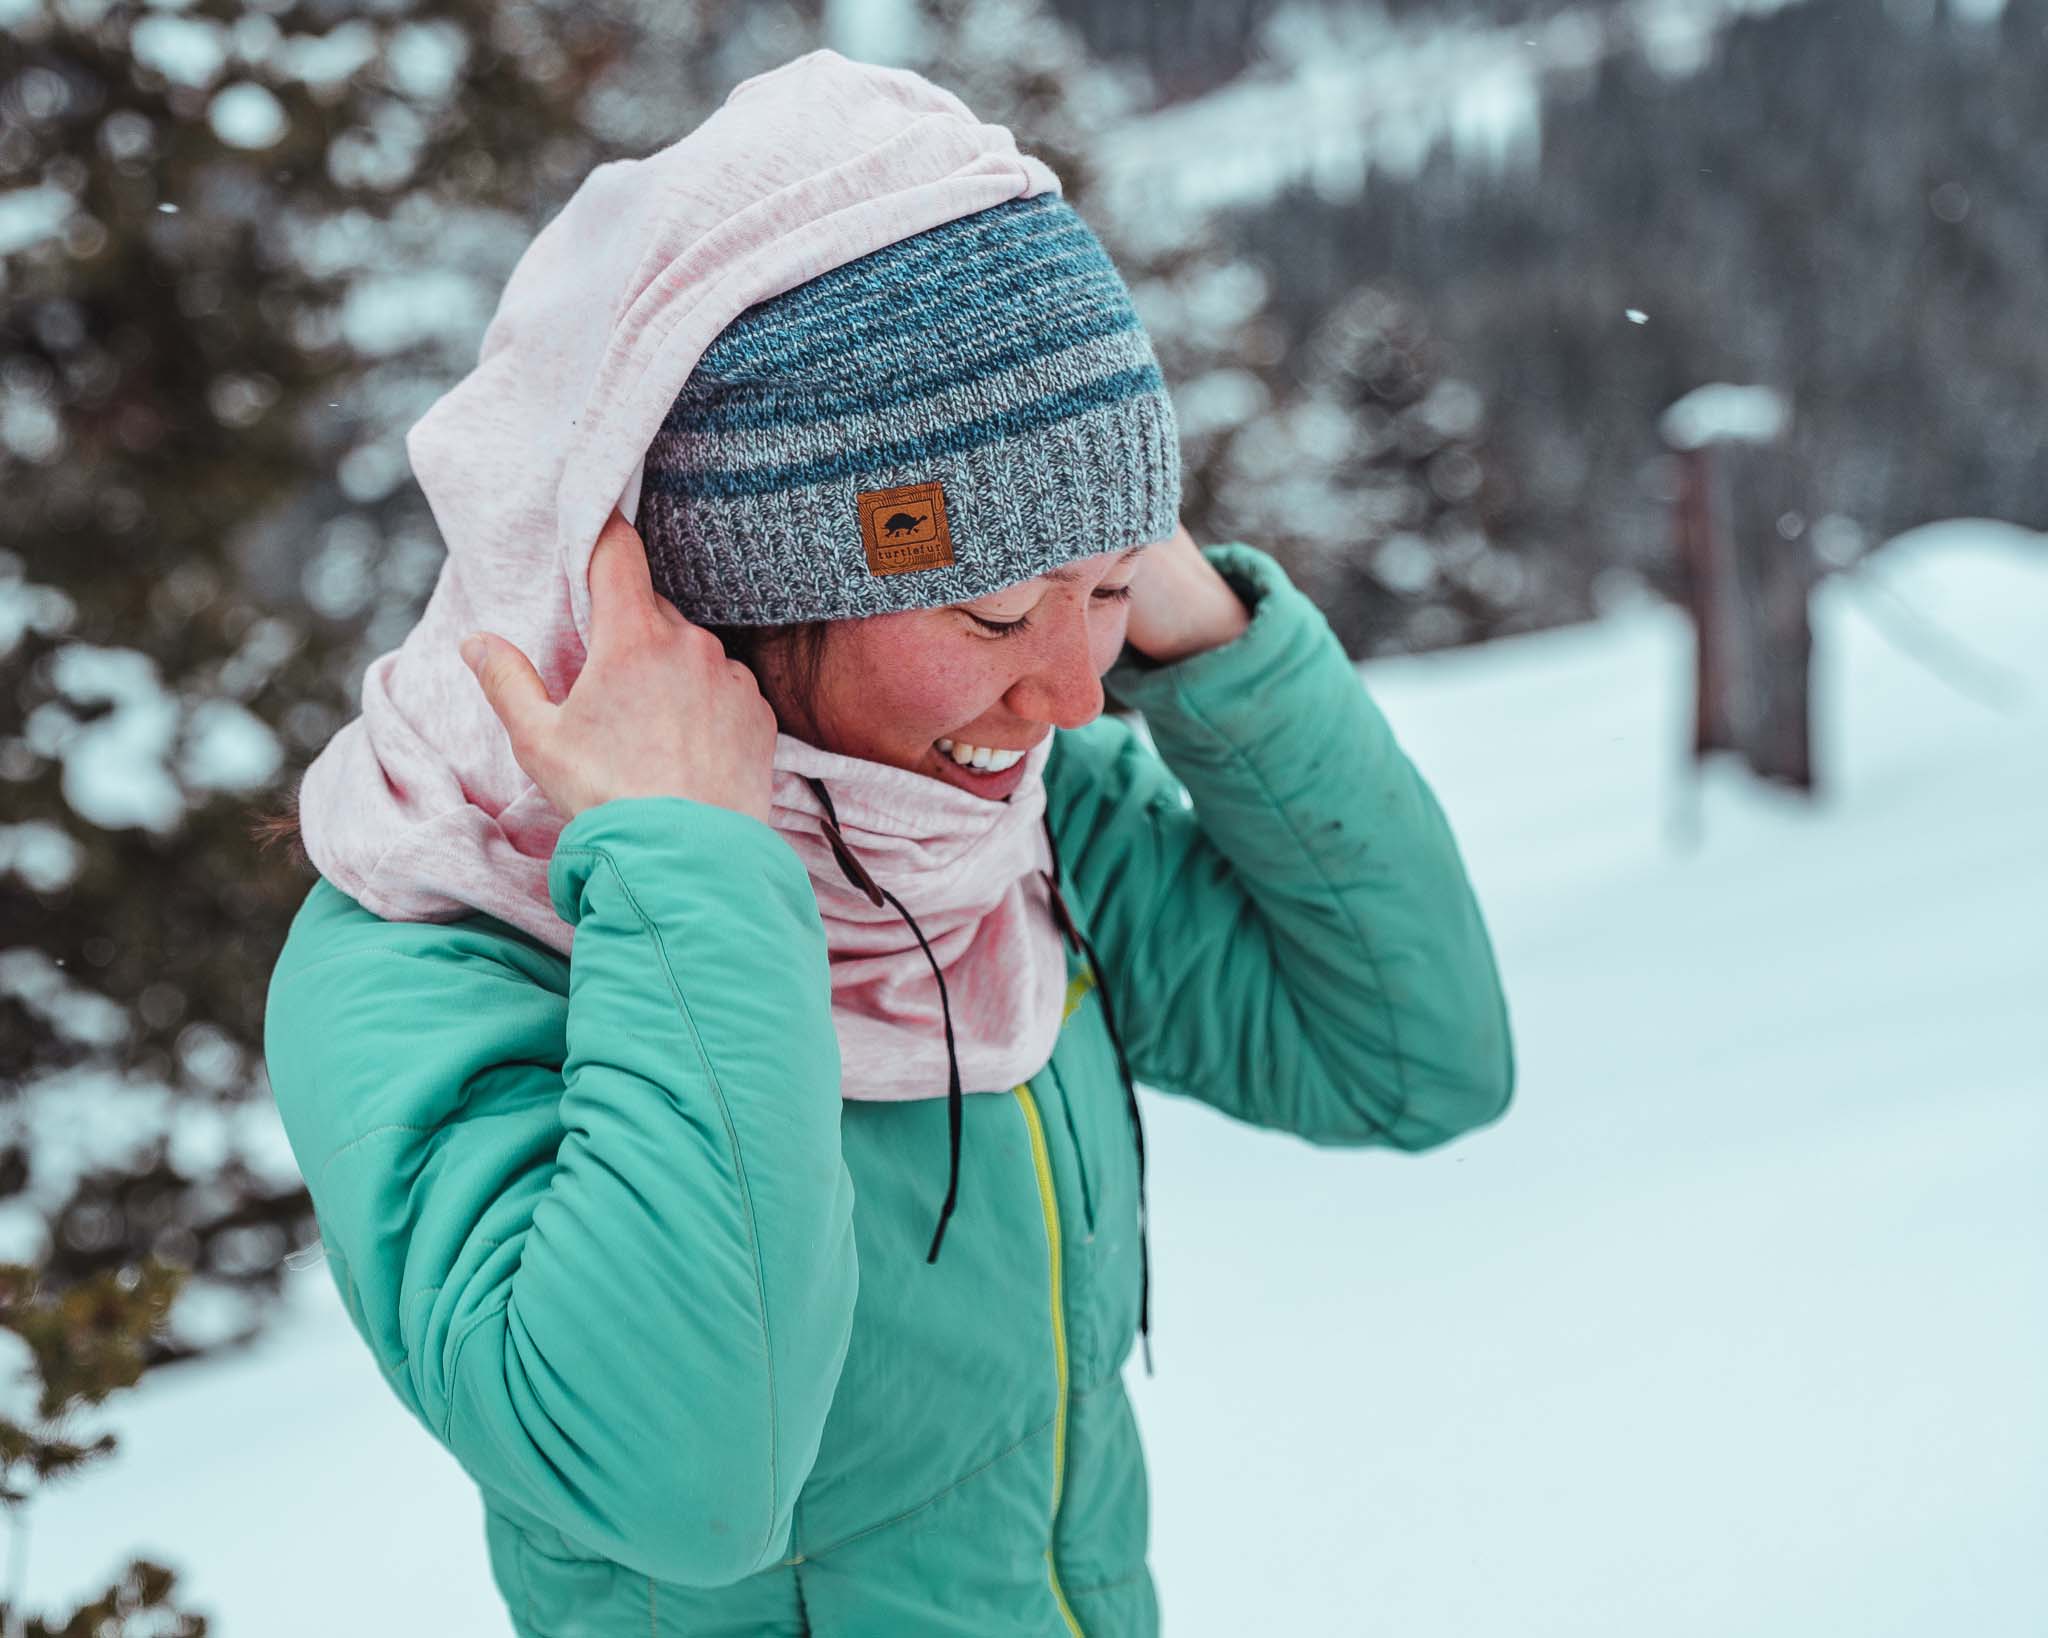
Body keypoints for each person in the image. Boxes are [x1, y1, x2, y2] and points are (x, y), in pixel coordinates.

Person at [261, 47, 1514, 1638]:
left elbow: (1412, 1060)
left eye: (1109, 587)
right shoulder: (444, 947)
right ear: (739, 594)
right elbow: (686, 1487)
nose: (1071, 693)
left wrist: (1196, 635)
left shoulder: (1002, 835)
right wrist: (688, 870)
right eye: (993, 608)